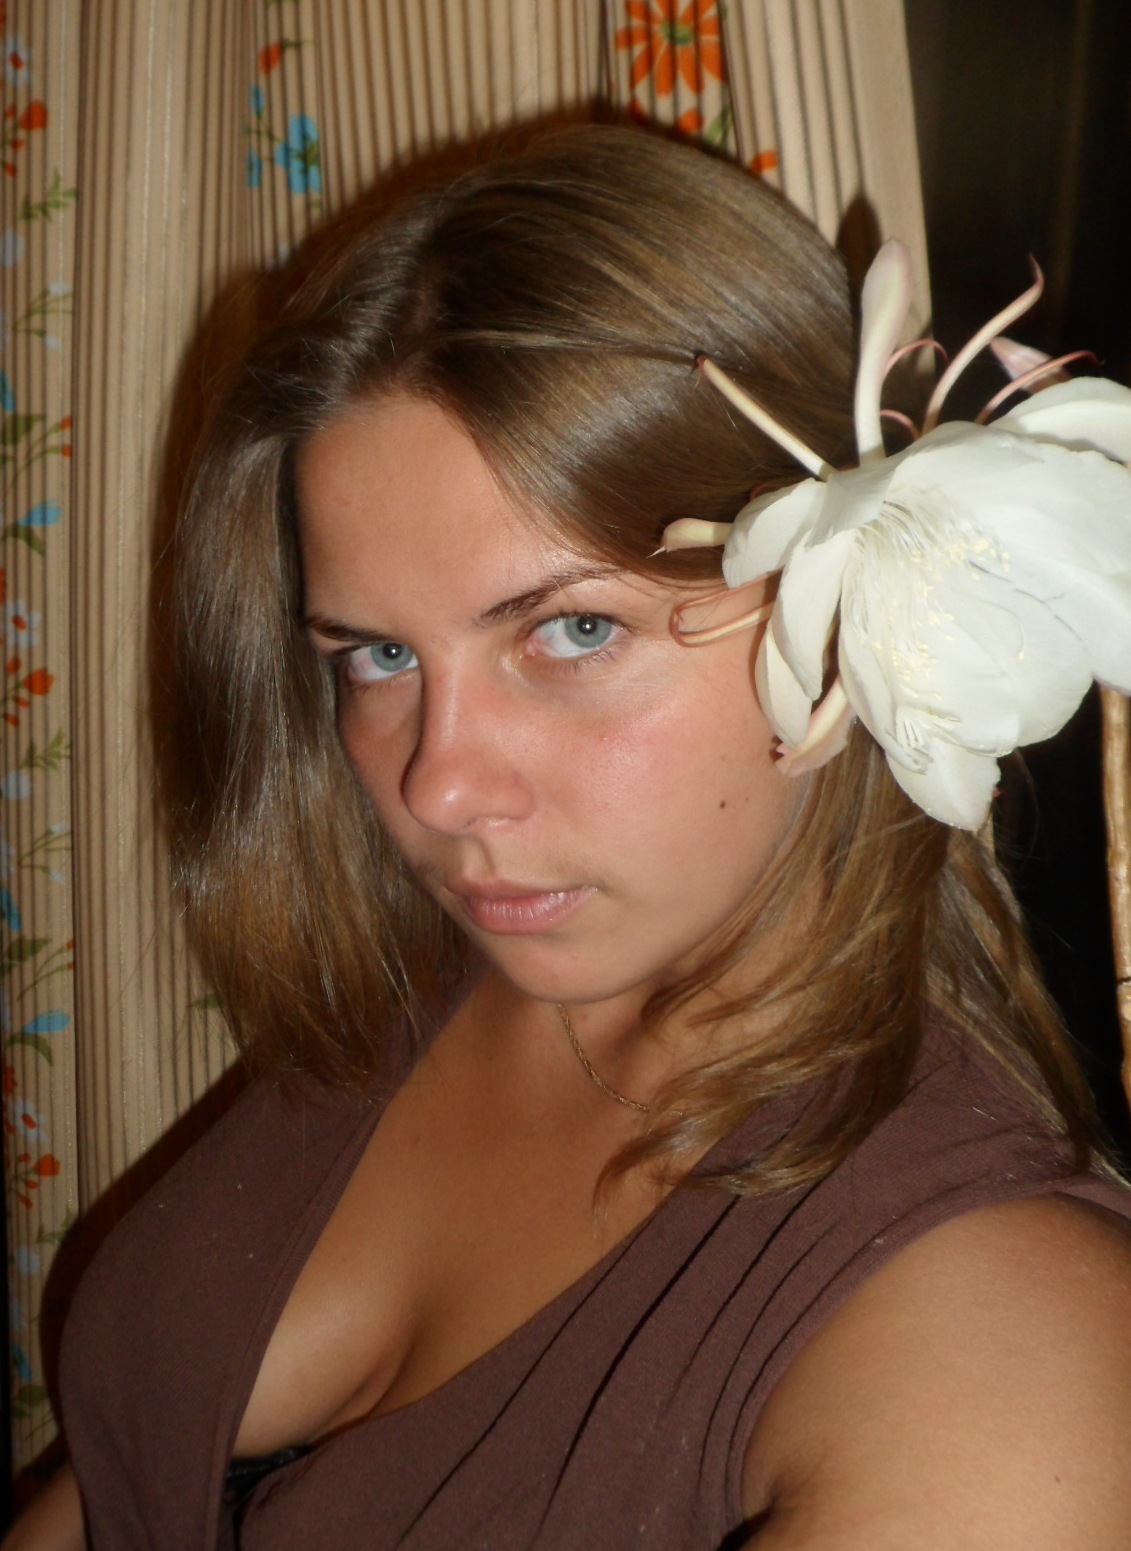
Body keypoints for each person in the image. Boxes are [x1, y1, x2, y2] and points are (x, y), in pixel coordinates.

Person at [8, 125, 1131, 1550]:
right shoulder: (443, 980)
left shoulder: (1008, 1354)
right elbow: (120, 1475)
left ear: (846, 604)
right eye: (375, 656)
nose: (436, 790)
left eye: (574, 631)